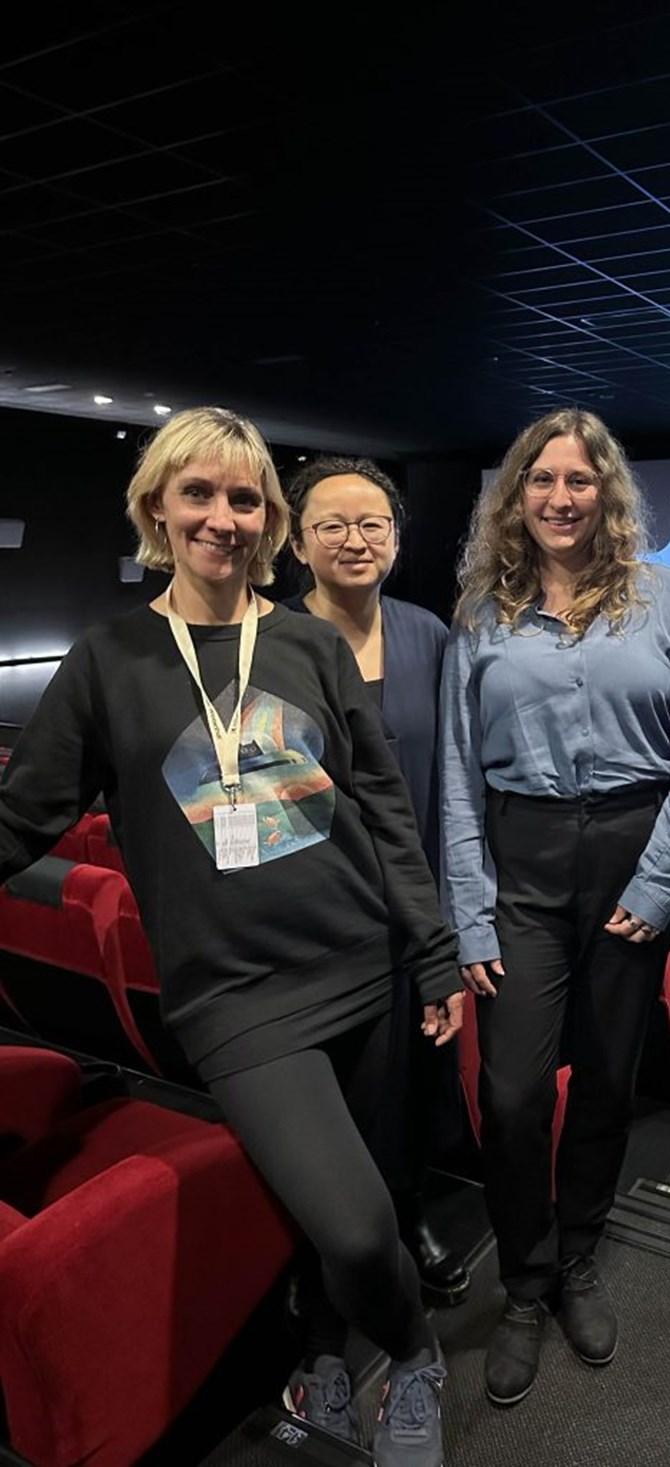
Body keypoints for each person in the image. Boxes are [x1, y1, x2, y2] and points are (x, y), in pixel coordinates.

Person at [0, 407, 461, 1466]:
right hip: (237, 1001)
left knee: (371, 1194)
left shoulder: (304, 641)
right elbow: (25, 816)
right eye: (197, 493)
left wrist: (430, 947)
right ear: (155, 507)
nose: (222, 516)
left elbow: (384, 807)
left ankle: (327, 1357)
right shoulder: (109, 659)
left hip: (361, 960)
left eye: (245, 498)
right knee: (351, 1224)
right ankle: (416, 1352)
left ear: (269, 520)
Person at [439, 407, 670, 1406]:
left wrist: (658, 881)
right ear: (513, 496)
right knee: (514, 1093)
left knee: (606, 1078)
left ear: (604, 492)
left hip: (629, 849)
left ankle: (576, 1259)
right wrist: (469, 912)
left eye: (579, 480)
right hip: (517, 856)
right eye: (541, 480)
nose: (561, 498)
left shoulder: (665, 599)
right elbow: (451, 775)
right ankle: (521, 1280)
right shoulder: (480, 610)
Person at [282, 455, 470, 1312]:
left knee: (419, 1079)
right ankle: (329, 1246)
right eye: (334, 524)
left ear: (397, 538)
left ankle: (408, 1211)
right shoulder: (270, 643)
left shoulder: (430, 635)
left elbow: (452, 781)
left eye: (374, 525)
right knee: (341, 1091)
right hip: (323, 919)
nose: (356, 540)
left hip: (420, 914)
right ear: (296, 540)